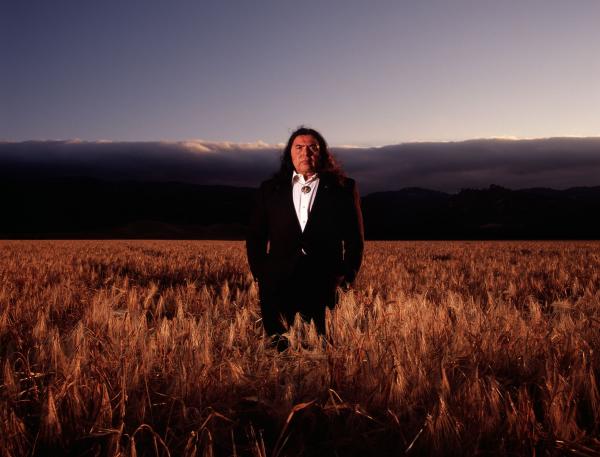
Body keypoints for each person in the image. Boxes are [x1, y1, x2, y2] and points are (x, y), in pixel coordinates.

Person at [246, 127, 364, 341]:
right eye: (298, 147)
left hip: (325, 282)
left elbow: (355, 238)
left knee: (322, 352)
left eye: (312, 147)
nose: (305, 153)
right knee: (279, 352)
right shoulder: (270, 190)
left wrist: (346, 277)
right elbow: (256, 237)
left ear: (323, 153)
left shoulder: (343, 188)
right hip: (277, 284)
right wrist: (262, 275)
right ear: (289, 153)